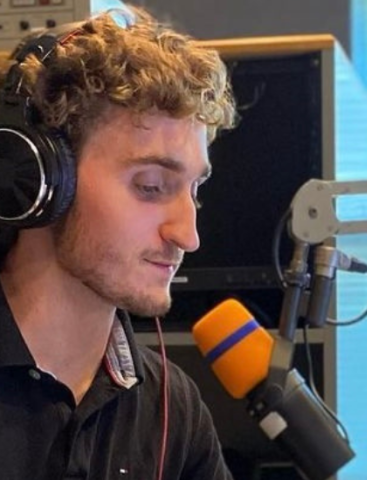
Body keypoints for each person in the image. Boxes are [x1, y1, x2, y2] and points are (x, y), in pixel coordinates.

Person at [0, 6, 236, 480]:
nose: (187, 236)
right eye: (151, 186)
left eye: (195, 191)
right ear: (41, 179)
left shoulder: (174, 409)